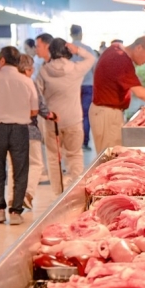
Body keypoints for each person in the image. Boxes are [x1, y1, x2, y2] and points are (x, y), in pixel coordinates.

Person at [0, 45, 38, 226]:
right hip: (20, 129)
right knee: (20, 171)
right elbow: (34, 110)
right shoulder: (26, 81)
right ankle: (16, 212)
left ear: (1, 60)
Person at [90, 36, 145, 151]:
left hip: (106, 112)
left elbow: (139, 88)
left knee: (113, 154)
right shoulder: (120, 58)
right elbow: (139, 92)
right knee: (110, 157)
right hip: (107, 113)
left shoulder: (116, 49)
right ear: (139, 48)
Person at [36, 37, 95, 194]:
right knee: (75, 156)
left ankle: (58, 194)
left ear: (51, 51)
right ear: (67, 51)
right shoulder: (76, 69)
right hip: (74, 120)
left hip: (52, 121)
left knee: (54, 159)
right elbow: (91, 57)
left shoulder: (43, 71)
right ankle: (77, 193)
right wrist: (77, 50)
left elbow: (37, 95)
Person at [7, 54, 53, 211]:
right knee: (36, 164)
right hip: (29, 130)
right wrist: (49, 115)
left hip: (8, 131)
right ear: (27, 69)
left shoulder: (5, 83)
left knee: (14, 165)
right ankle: (27, 194)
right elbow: (40, 106)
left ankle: (12, 197)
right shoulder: (29, 83)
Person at [69, 24, 99, 150]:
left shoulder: (67, 50)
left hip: (73, 86)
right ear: (81, 34)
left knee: (74, 115)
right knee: (86, 115)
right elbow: (95, 68)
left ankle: (74, 142)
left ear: (71, 34)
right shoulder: (88, 49)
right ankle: (85, 142)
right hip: (88, 85)